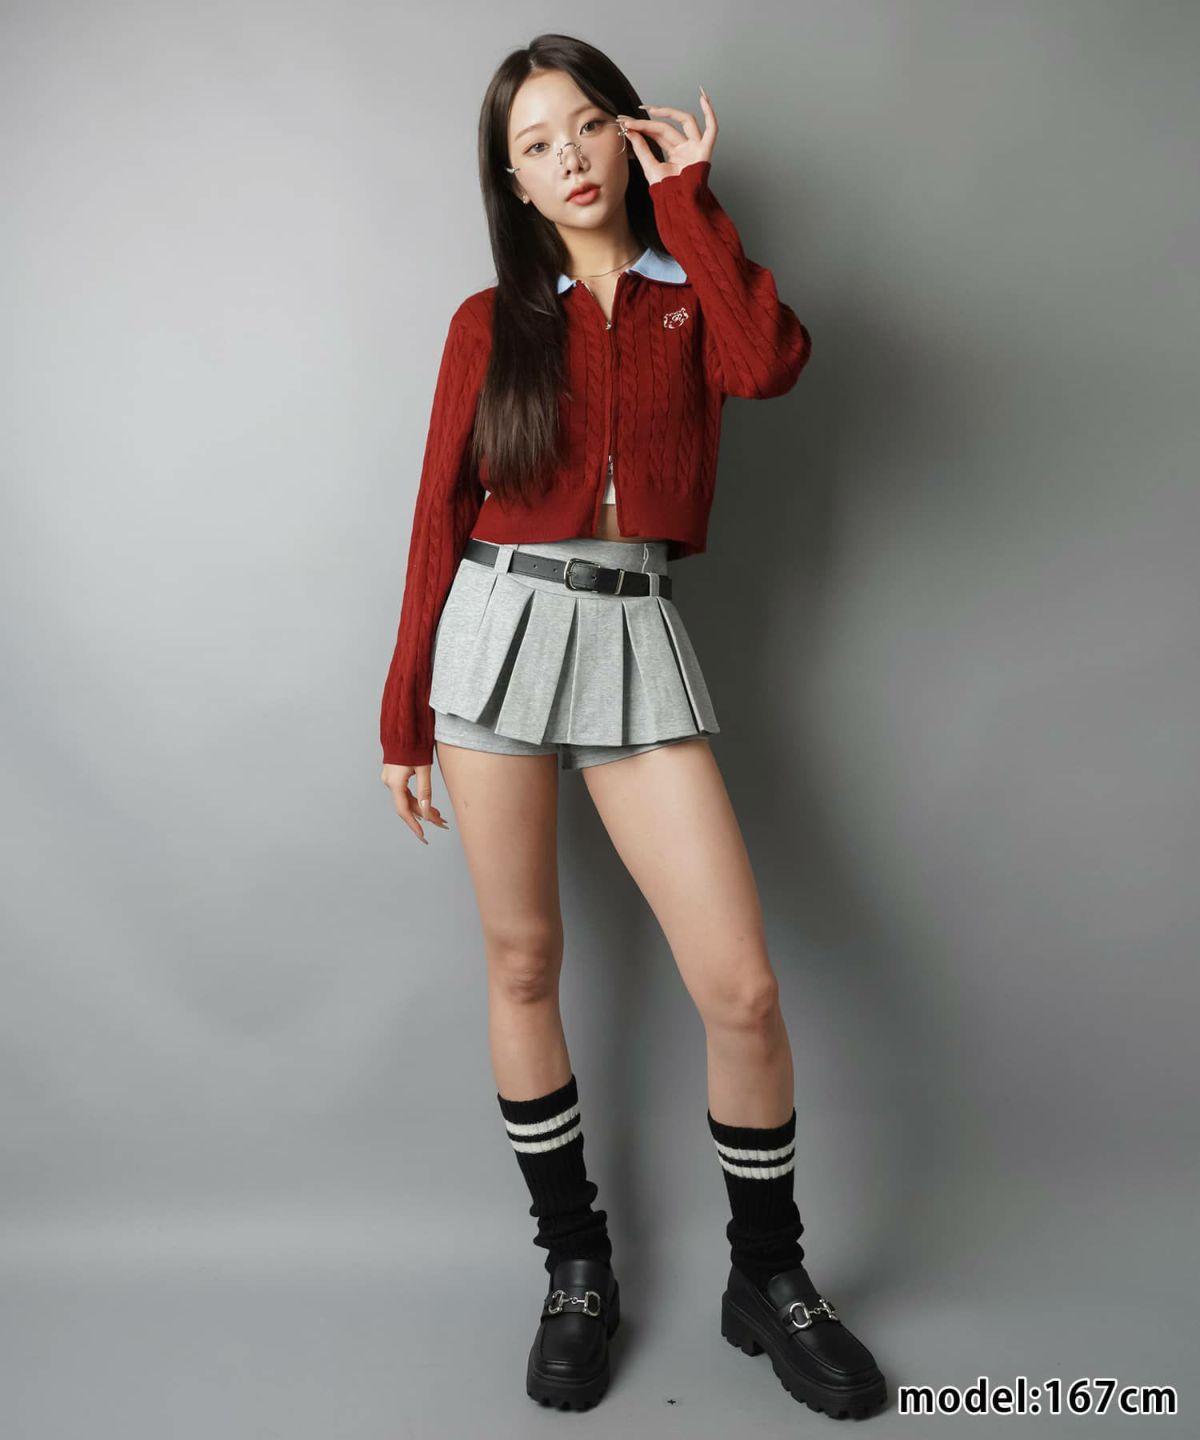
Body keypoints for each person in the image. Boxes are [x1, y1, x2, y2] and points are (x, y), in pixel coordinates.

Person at [378, 33, 887, 1421]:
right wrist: (404, 713)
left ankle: (767, 1276)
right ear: (515, 182)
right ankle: (577, 1267)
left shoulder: (689, 297)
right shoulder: (489, 324)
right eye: (537, 144)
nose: (571, 158)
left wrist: (695, 202)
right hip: (494, 631)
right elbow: (438, 515)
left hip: (634, 631)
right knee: (524, 963)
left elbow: (769, 364)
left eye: (589, 126)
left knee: (744, 988)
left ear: (630, 134)